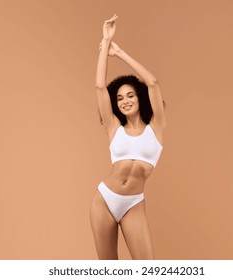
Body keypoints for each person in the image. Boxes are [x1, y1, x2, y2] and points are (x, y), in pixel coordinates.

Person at [90, 15, 166, 260]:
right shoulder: (114, 128)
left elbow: (153, 82)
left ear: (139, 97)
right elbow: (100, 87)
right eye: (120, 98)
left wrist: (119, 52)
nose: (125, 101)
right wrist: (105, 42)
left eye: (130, 95)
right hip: (104, 200)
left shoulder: (156, 127)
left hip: (133, 202)